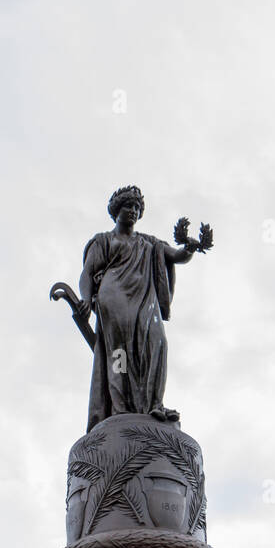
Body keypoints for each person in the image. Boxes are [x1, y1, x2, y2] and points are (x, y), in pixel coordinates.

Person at [78, 185, 202, 431]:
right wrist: (85, 298)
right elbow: (87, 273)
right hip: (113, 298)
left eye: (137, 207)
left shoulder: (149, 243)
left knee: (158, 343)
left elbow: (176, 256)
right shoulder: (103, 240)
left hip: (144, 300)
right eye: (128, 206)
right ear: (116, 211)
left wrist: (189, 247)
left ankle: (153, 404)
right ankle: (120, 409)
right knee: (119, 353)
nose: (133, 211)